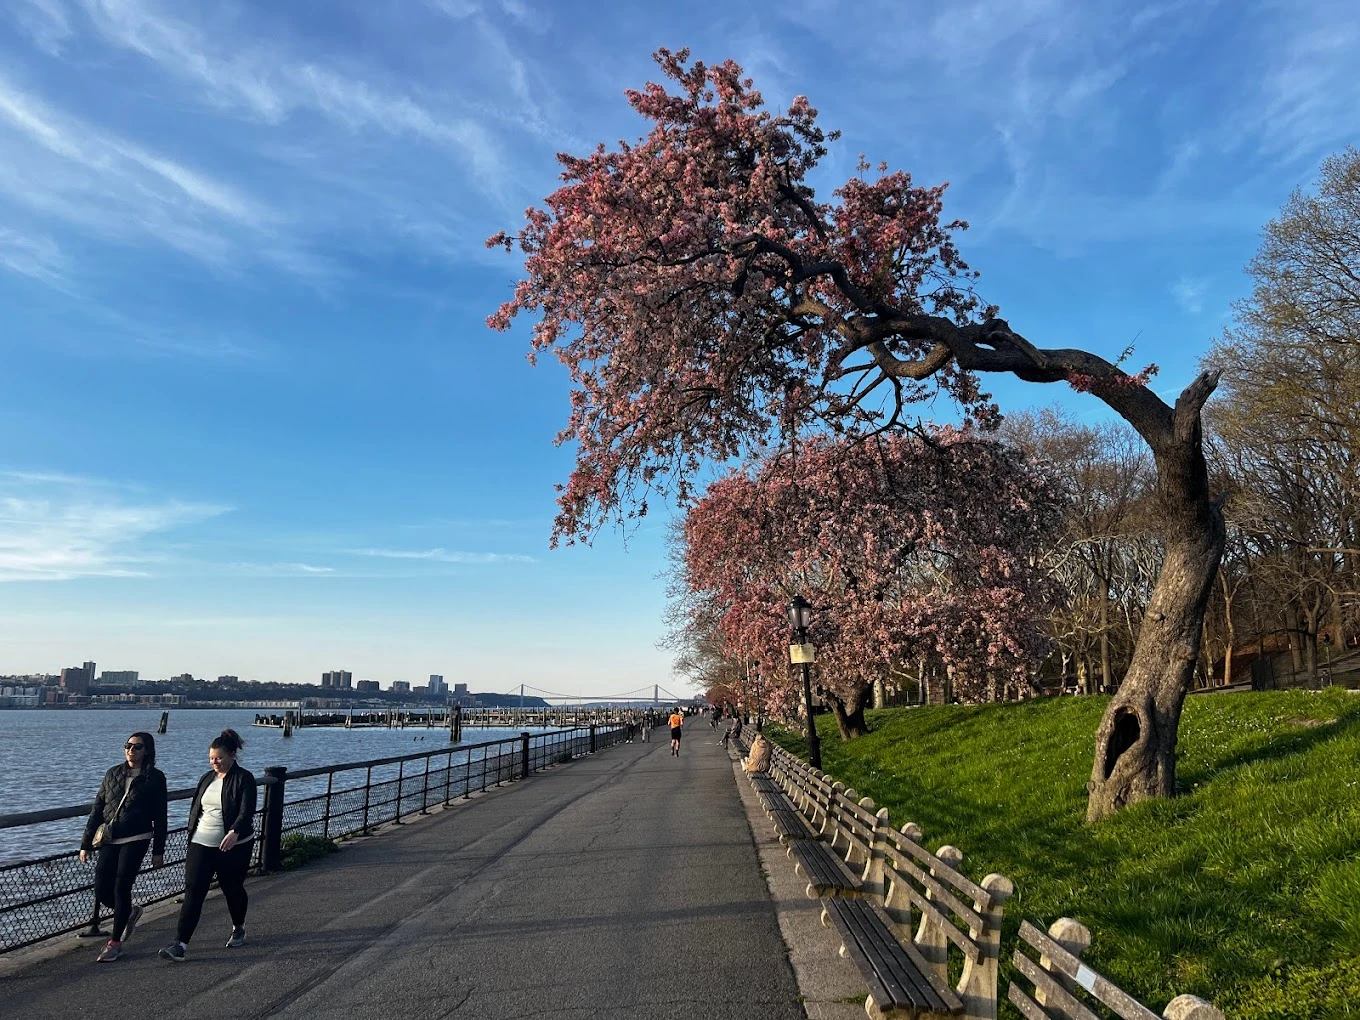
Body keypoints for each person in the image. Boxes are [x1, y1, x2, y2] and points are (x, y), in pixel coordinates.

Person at [159, 729, 257, 962]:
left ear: (232, 755)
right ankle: (180, 944)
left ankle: (239, 926)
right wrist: (191, 832)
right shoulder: (206, 778)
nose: (214, 762)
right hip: (201, 842)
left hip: (233, 845)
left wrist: (235, 831)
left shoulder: (244, 778)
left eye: (219, 758)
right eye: (211, 758)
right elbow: (198, 809)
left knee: (232, 889)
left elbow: (247, 810)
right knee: (194, 891)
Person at [81, 731, 168, 962]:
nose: (131, 750)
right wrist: (85, 843)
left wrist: (159, 850)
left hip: (137, 837)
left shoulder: (155, 778)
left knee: (122, 886)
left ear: (146, 751)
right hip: (110, 838)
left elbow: (161, 816)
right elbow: (97, 808)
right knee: (101, 887)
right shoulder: (113, 774)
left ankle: (115, 943)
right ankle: (129, 912)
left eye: (137, 747)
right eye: (128, 745)